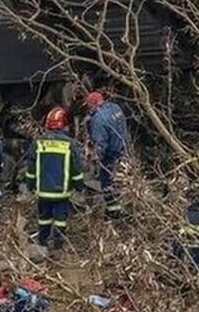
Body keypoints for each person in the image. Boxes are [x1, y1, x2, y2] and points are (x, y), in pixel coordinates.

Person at [23, 107, 86, 249]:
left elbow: (31, 167)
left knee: (44, 218)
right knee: (60, 219)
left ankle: (43, 241)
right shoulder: (69, 144)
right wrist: (79, 185)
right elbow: (76, 168)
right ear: (63, 124)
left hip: (43, 191)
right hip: (61, 192)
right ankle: (58, 244)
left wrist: (30, 184)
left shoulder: (38, 142)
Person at [85, 90, 128, 218]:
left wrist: (96, 161)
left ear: (92, 103)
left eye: (88, 105)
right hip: (122, 148)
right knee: (119, 180)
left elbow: (100, 144)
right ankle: (118, 208)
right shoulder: (115, 107)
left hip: (110, 154)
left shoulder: (98, 120)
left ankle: (113, 211)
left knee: (107, 183)